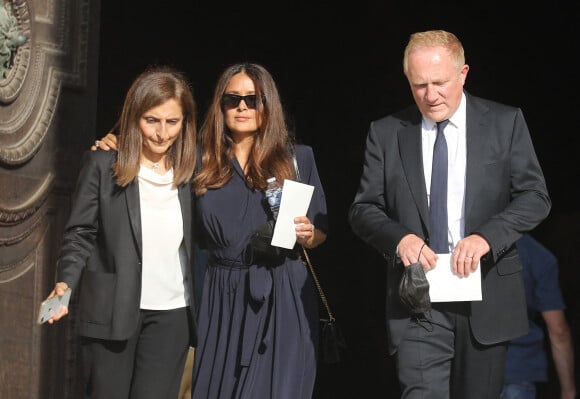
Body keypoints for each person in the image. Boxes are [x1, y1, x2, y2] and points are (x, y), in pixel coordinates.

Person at [94, 62, 329, 398]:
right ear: (220, 106)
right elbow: (150, 155)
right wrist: (115, 143)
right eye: (232, 100)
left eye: (253, 99)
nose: (243, 107)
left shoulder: (297, 158)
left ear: (268, 104)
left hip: (283, 295)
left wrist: (309, 234)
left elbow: (321, 231)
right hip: (222, 296)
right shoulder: (198, 160)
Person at [348, 29, 551, 398]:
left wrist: (488, 236)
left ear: (463, 74)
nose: (430, 95)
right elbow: (363, 209)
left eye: (439, 82)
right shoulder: (387, 131)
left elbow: (535, 196)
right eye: (419, 84)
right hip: (417, 301)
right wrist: (399, 239)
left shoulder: (504, 123)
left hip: (485, 294)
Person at [43, 65, 199, 399]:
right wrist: (65, 281)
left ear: (185, 122)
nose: (162, 133)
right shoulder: (104, 164)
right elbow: (80, 232)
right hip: (113, 310)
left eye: (172, 122)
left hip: (171, 317)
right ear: (134, 117)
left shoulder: (190, 170)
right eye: (151, 121)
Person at [501, 234, 576, 399]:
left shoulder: (463, 249)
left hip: (470, 368)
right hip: (519, 367)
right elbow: (558, 330)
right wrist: (568, 389)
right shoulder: (537, 255)